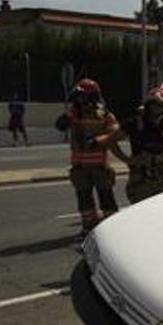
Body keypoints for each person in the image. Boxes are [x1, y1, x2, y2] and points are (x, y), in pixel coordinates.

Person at [55, 79, 120, 237]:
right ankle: (89, 226)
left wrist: (98, 140)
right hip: (80, 167)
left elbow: (115, 132)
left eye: (82, 97)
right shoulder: (74, 114)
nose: (79, 101)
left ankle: (111, 227)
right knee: (84, 199)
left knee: (106, 197)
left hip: (99, 166)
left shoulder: (103, 114)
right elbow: (60, 125)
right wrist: (64, 119)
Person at [109, 85, 163, 204]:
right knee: (139, 209)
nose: (157, 108)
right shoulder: (136, 123)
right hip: (140, 176)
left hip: (160, 175)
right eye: (154, 104)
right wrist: (127, 160)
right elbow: (111, 140)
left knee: (161, 208)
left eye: (161, 105)